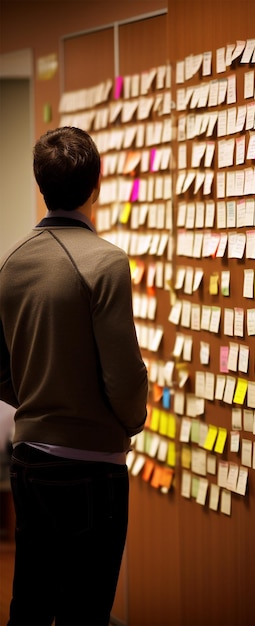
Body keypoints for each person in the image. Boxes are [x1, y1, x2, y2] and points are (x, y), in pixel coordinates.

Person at [0, 126, 148, 625]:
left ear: (42, 186)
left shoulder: (11, 262)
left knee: (32, 602)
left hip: (29, 461)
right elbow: (123, 379)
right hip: (92, 468)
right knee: (87, 610)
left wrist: (36, 399)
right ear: (96, 184)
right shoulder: (106, 262)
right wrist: (130, 420)